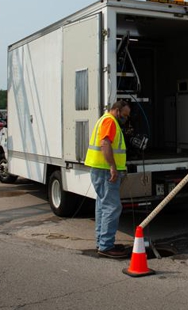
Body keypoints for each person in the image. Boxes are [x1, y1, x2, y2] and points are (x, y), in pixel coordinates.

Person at [84, 100, 131, 259]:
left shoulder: (105, 120)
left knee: (102, 207)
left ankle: (103, 242)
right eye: (124, 115)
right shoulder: (110, 121)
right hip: (105, 171)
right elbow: (105, 144)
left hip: (100, 170)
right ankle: (106, 246)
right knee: (112, 207)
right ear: (117, 111)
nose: (125, 118)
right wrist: (113, 167)